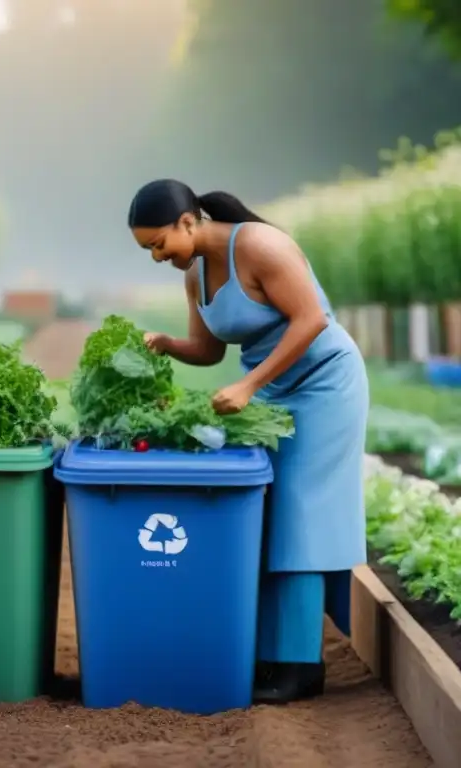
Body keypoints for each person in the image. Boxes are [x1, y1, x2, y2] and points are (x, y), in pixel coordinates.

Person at [126, 178, 368, 705]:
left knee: (300, 516)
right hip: (274, 391)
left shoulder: (259, 245)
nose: (156, 257)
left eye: (158, 244)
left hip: (325, 385)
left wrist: (250, 384)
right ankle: (271, 655)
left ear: (187, 222)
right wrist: (166, 344)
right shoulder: (196, 276)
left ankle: (303, 668)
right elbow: (209, 351)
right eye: (147, 250)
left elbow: (311, 320)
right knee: (272, 513)